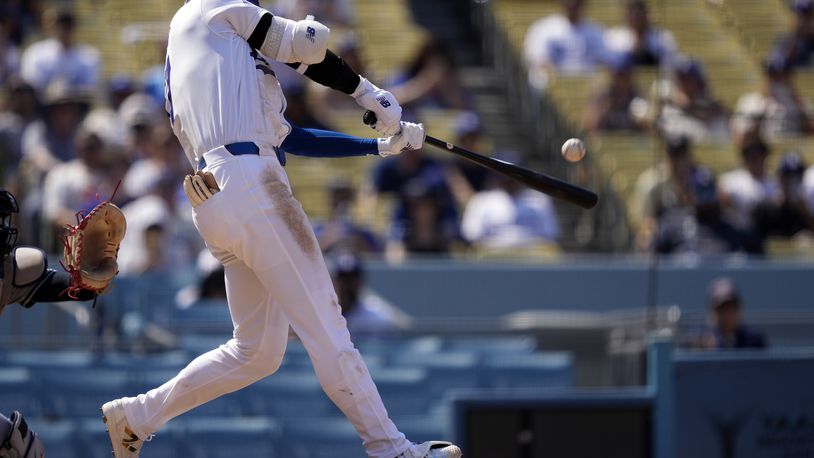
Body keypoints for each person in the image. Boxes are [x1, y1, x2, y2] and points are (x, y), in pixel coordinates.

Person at [100, 2, 461, 458]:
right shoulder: (214, 8)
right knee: (328, 327)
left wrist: (377, 147)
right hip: (250, 184)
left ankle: (136, 415)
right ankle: (391, 449)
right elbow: (307, 45)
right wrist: (369, 93)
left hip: (218, 195)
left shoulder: (215, 50)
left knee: (256, 352)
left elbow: (287, 136)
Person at [0, 189, 96, 315]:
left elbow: (81, 290)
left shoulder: (10, 269)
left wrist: (92, 274)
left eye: (2, 219)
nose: (4, 226)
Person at [461, 155, 560, 249]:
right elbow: (472, 235)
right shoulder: (482, 200)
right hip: (493, 258)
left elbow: (549, 234)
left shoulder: (539, 199)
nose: (509, 179)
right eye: (504, 173)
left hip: (531, 258)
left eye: (514, 174)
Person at [523, 0, 608, 89]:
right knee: (538, 77)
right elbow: (538, 62)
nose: (573, 3)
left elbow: (605, 63)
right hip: (552, 87)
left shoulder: (596, 31)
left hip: (588, 88)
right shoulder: (543, 29)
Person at [731, 54, 814, 142]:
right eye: (773, 75)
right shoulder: (749, 102)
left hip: (792, 152)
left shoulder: (802, 103)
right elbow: (740, 138)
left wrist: (799, 105)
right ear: (765, 76)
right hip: (766, 152)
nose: (778, 79)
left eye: (783, 74)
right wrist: (763, 110)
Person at [327, 251, 411, 337]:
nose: (347, 286)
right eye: (343, 280)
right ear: (332, 282)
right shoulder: (322, 313)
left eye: (352, 279)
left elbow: (404, 330)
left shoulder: (375, 313)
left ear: (360, 282)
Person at [19, 9, 99, 93]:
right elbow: (32, 84)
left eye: (67, 26)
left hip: (77, 103)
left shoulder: (89, 55)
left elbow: (90, 88)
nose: (63, 30)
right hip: (42, 103)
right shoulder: (35, 52)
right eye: (59, 25)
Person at [658, 56, 729, 143]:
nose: (682, 83)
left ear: (698, 82)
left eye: (687, 79)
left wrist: (689, 107)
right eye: (680, 78)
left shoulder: (711, 107)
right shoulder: (668, 108)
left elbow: (716, 111)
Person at [718, 138, 780, 233]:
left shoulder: (775, 183)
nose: (756, 160)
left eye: (760, 155)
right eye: (751, 156)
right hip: (739, 232)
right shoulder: (731, 180)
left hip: (768, 232)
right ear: (744, 158)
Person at [604, 0, 677, 68]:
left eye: (640, 11)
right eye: (632, 10)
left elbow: (670, 65)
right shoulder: (614, 36)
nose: (636, 15)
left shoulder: (663, 37)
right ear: (626, 14)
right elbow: (610, 65)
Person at [701, 277, 767, 349]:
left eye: (732, 306)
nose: (728, 313)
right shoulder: (701, 340)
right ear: (712, 310)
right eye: (722, 308)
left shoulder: (754, 339)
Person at [772, 0, 814, 69]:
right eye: (799, 15)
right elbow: (778, 67)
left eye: (807, 15)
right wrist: (796, 38)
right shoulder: (784, 42)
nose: (803, 20)